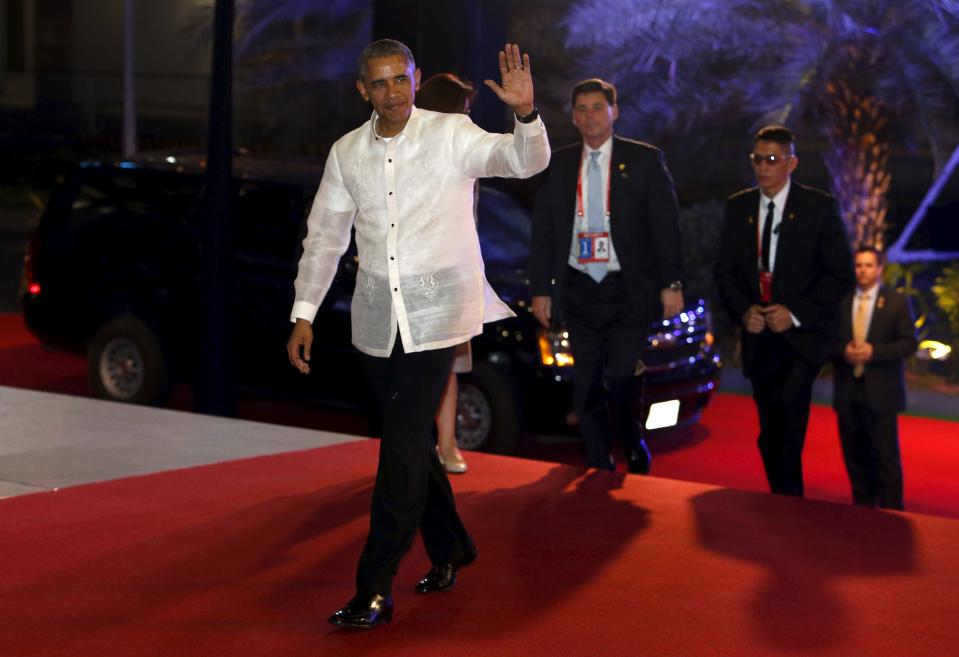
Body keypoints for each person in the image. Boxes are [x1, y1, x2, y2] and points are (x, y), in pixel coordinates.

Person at [286, 39, 549, 629]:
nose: (393, 93)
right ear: (363, 90)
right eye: (379, 84)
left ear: (416, 78)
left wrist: (526, 115)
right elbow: (324, 238)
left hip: (439, 315)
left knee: (399, 447)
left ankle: (373, 586)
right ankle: (451, 545)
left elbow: (523, 161)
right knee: (411, 444)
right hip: (378, 321)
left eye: (400, 81)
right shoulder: (346, 153)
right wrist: (304, 312)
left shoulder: (450, 133)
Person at [529, 78, 685, 474]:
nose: (590, 116)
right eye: (581, 109)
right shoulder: (559, 164)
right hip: (580, 288)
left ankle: (632, 440)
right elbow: (544, 233)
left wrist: (672, 284)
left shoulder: (644, 160)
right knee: (585, 385)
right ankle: (598, 461)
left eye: (598, 107)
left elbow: (666, 227)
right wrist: (541, 290)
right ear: (573, 117)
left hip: (627, 290)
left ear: (614, 111)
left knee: (620, 378)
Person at [713, 125, 853, 497]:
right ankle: (782, 494)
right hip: (758, 337)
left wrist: (793, 313)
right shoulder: (739, 206)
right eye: (757, 159)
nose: (763, 167)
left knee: (790, 416)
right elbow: (724, 272)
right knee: (770, 425)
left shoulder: (818, 208)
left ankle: (790, 502)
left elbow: (840, 275)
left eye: (772, 160)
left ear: (792, 162)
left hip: (801, 338)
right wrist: (745, 311)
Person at [416, 72, 480, 475]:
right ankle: (421, 445)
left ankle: (447, 443)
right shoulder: (408, 150)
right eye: (465, 110)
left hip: (453, 271)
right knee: (416, 367)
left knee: (449, 365)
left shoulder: (465, 151)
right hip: (413, 272)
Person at [832, 246, 917, 510]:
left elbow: (909, 344)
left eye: (868, 265)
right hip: (848, 392)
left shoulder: (896, 302)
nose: (863, 271)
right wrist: (842, 350)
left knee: (886, 460)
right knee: (855, 459)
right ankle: (862, 512)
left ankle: (893, 517)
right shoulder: (842, 301)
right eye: (859, 265)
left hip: (881, 394)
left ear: (879, 269)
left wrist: (874, 352)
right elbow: (827, 340)